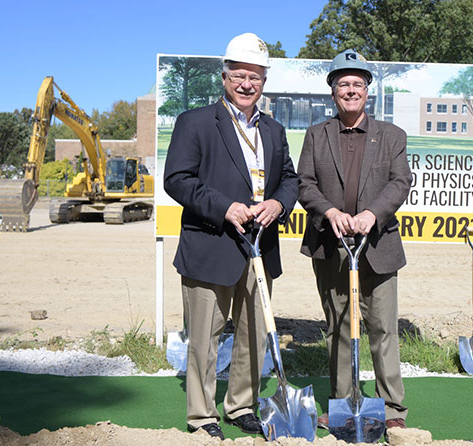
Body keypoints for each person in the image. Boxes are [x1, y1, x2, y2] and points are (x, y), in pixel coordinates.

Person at [164, 32, 298, 440]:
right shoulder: (196, 122)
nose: (247, 84)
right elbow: (177, 180)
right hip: (211, 244)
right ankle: (202, 417)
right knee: (204, 337)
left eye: (255, 77)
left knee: (255, 334)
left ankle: (241, 405)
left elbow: (289, 179)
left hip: (259, 250)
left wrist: (277, 204)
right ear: (224, 77)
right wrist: (224, 206)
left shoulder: (273, 131)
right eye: (239, 75)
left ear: (264, 81)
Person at [297, 49, 411, 432]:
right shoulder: (316, 135)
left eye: (357, 84)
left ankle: (393, 408)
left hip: (377, 245)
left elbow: (399, 183)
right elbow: (305, 184)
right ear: (332, 92)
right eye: (342, 84)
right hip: (330, 246)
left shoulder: (392, 136)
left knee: (382, 329)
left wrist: (370, 214)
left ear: (367, 91)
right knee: (339, 326)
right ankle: (343, 404)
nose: (350, 90)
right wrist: (330, 212)